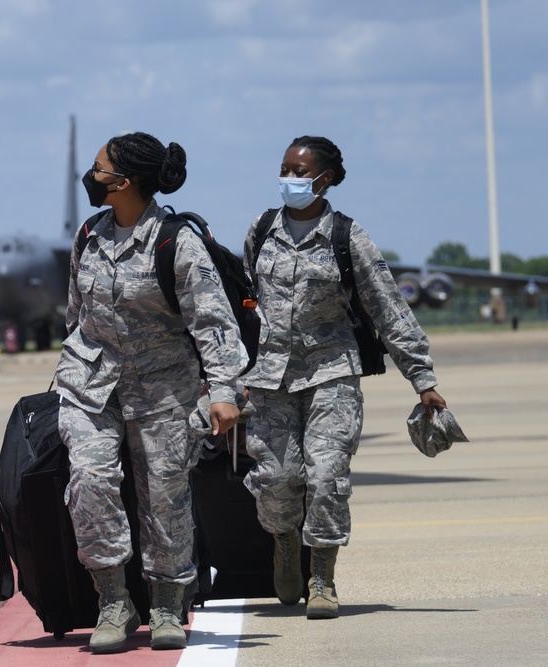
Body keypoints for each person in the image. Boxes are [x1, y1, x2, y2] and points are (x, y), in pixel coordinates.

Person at [241, 135, 447, 620]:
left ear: (324, 178)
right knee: (276, 479)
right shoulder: (262, 229)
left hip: (333, 373)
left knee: (327, 476)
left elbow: (388, 308)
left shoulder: (348, 237)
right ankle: (286, 543)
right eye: (285, 168)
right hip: (270, 378)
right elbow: (243, 302)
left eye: (299, 171)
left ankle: (323, 578)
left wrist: (422, 377)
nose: (289, 178)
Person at [56, 132, 245, 653]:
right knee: (90, 482)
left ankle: (167, 604)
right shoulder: (88, 234)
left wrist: (224, 390)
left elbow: (213, 321)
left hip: (164, 388)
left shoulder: (176, 241)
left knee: (164, 497)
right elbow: (76, 314)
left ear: (124, 181)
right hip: (92, 387)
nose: (91, 177)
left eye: (99, 169)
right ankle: (113, 600)